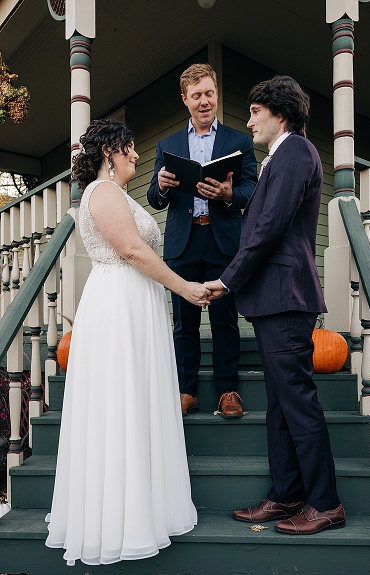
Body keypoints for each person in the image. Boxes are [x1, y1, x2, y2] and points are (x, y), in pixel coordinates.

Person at [46, 119, 205, 565]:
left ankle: (144, 507)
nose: (137, 154)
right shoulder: (102, 193)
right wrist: (186, 288)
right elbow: (134, 252)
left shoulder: (117, 194)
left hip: (136, 305)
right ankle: (116, 521)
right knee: (120, 404)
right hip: (119, 307)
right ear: (111, 152)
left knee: (137, 403)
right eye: (131, 147)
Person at [205, 75, 344, 535]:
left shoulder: (296, 152)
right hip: (274, 297)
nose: (249, 122)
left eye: (255, 113)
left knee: (298, 402)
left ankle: (325, 503)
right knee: (282, 405)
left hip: (286, 295)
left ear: (278, 112)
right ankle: (286, 495)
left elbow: (267, 227)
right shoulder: (278, 157)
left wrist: (227, 280)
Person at [147, 63, 258, 419]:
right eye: (197, 95)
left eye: (209, 93)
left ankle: (228, 392)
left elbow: (251, 188)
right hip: (183, 241)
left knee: (225, 319)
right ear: (186, 100)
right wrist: (162, 186)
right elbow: (154, 197)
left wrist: (228, 194)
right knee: (184, 322)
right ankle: (186, 391)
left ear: (216, 95)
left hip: (223, 239)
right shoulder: (169, 145)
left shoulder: (238, 142)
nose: (204, 100)